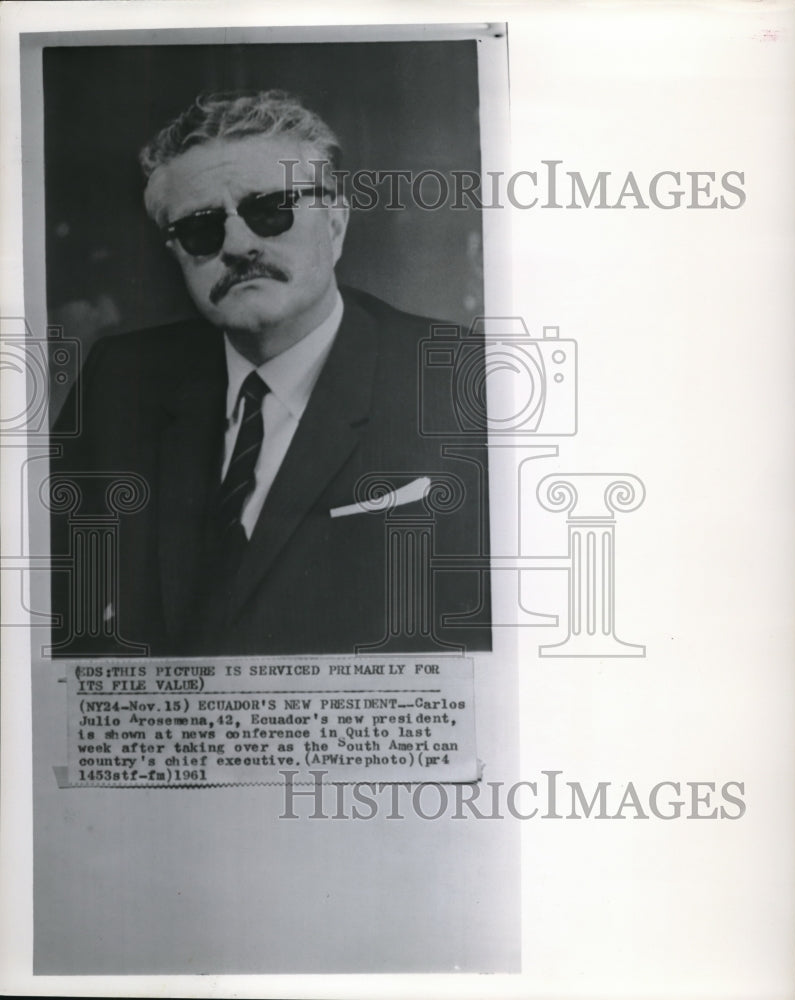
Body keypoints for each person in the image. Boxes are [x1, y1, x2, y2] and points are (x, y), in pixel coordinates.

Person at [49, 89, 490, 656]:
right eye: (200, 231)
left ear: (334, 225)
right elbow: (52, 613)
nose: (236, 244)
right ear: (177, 253)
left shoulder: (459, 379)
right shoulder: (122, 381)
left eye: (270, 210)